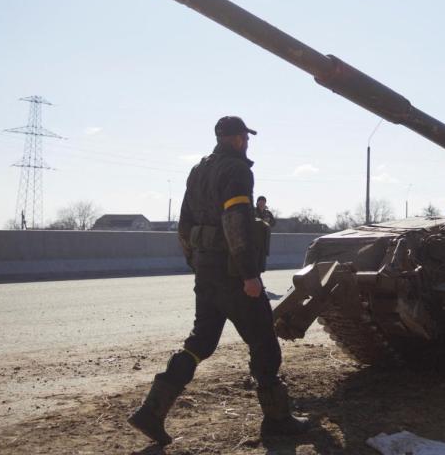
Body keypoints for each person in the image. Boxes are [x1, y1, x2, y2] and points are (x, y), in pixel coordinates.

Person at [128, 116, 309, 445]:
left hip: (207, 271)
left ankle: (151, 412)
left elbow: (184, 226)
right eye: (246, 138)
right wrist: (249, 274)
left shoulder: (198, 171)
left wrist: (197, 263)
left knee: (199, 344)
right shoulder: (237, 170)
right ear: (239, 139)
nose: (247, 143)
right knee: (264, 343)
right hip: (233, 273)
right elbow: (235, 221)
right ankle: (278, 420)